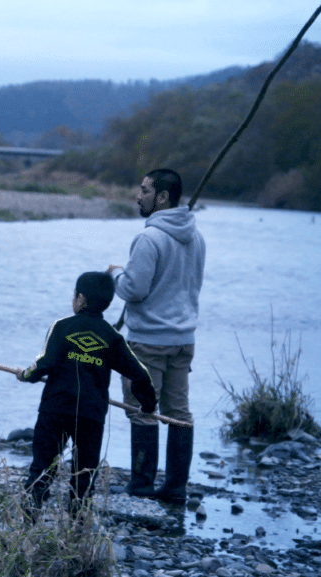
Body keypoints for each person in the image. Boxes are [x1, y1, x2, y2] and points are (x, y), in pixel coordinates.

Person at [17, 272, 157, 515]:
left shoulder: (61, 327)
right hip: (91, 416)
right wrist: (147, 406)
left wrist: (25, 375)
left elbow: (43, 364)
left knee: (42, 466)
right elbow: (140, 374)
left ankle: (29, 520)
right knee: (84, 474)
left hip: (55, 410)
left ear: (80, 298)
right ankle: (78, 526)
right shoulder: (112, 338)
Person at [107, 168, 205, 504]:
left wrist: (116, 276)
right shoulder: (196, 237)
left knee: (143, 410)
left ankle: (142, 486)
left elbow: (134, 290)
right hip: (183, 339)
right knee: (180, 412)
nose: (138, 195)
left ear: (162, 197)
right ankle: (175, 489)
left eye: (145, 190)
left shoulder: (149, 239)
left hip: (148, 340)